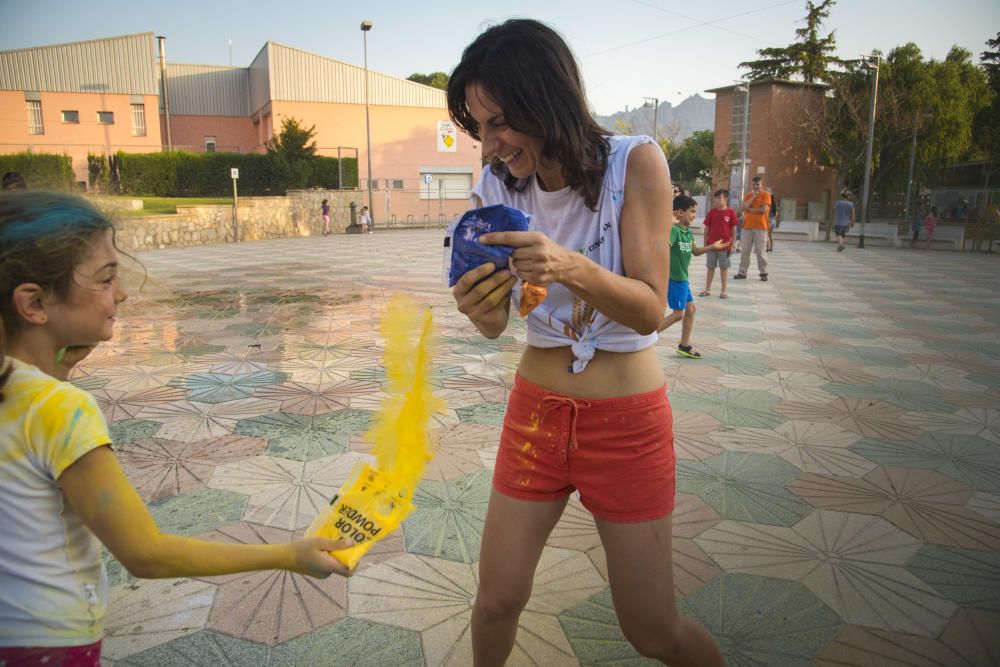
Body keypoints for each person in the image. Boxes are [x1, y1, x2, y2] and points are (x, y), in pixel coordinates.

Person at [446, 19, 724, 667]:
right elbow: (498, 323)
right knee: (495, 601)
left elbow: (652, 310)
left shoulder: (636, 162)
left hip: (626, 423)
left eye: (499, 123)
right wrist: (479, 307)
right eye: (479, 127)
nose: (489, 145)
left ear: (547, 97)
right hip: (535, 412)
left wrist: (568, 265)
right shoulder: (495, 188)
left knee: (652, 631)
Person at [0, 191, 354, 664]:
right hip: (51, 641)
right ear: (34, 303)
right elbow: (146, 553)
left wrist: (56, 368)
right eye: (106, 278)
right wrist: (290, 555)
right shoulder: (61, 410)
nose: (121, 293)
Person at [659, 195, 729, 359]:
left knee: (690, 309)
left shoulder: (687, 233)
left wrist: (712, 246)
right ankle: (644, 338)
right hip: (674, 279)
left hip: (683, 279)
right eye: (692, 211)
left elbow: (695, 252)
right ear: (680, 212)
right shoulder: (674, 231)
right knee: (678, 314)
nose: (694, 215)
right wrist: (669, 224)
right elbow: (662, 247)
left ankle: (684, 345)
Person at [700, 188, 738, 299]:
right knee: (710, 267)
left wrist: (733, 245)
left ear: (725, 199)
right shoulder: (712, 212)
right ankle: (707, 289)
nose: (716, 200)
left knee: (724, 268)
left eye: (719, 198)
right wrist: (705, 246)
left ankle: (724, 290)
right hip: (711, 246)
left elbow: (734, 231)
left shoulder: (731, 212)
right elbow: (706, 229)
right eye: (715, 198)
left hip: (725, 246)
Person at [733, 175, 771, 281]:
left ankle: (763, 273)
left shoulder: (766, 195)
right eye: (754, 185)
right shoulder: (749, 195)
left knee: (760, 251)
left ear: (761, 184)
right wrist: (753, 198)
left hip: (761, 227)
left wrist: (749, 209)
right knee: (745, 251)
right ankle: (742, 272)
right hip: (747, 227)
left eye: (757, 185)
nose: (756, 187)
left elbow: (763, 210)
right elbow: (741, 209)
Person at [766, 187, 778, 252]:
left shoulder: (768, 205)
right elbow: (776, 214)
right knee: (771, 235)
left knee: (767, 235)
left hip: (769, 221)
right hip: (773, 221)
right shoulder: (774, 205)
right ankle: (771, 248)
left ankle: (767, 248)